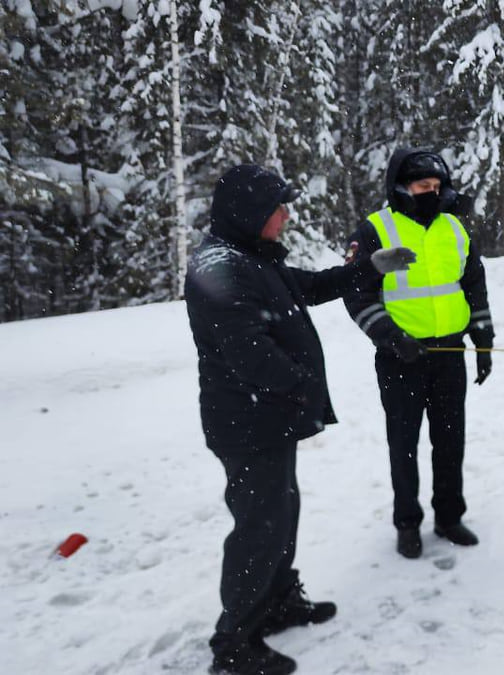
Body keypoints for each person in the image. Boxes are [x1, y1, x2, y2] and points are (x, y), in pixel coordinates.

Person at [185, 164, 384, 675]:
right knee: (258, 530)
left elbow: (310, 287)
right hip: (248, 425)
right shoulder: (221, 267)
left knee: (280, 516)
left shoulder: (251, 257)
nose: (287, 216)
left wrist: (370, 268)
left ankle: (276, 603)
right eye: (279, 208)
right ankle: (233, 644)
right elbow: (249, 355)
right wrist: (304, 385)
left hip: (269, 420)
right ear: (252, 213)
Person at [343, 147, 494, 559]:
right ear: (400, 187)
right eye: (421, 186)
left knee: (450, 441)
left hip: (449, 353)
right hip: (400, 359)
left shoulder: (454, 229)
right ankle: (406, 523)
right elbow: (357, 295)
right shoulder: (375, 230)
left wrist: (483, 340)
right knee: (404, 444)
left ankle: (449, 517)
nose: (431, 192)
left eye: (436, 186)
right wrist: (392, 337)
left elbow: (473, 284)